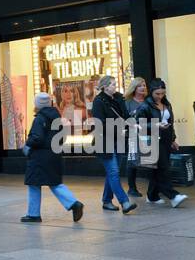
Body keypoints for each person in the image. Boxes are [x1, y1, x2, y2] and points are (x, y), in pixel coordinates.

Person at [21, 92, 83, 223]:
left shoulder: (39, 118)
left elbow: (37, 138)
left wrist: (27, 144)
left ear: (37, 104)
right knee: (54, 182)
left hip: (39, 157)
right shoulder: (57, 117)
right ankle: (74, 203)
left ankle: (33, 214)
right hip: (54, 154)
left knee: (34, 184)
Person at [89, 75, 137, 214]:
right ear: (104, 87)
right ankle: (125, 202)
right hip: (104, 141)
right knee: (114, 172)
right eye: (113, 84)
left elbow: (126, 115)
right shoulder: (98, 102)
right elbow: (100, 124)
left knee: (112, 173)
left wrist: (133, 124)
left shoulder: (119, 98)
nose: (115, 87)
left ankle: (106, 201)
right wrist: (119, 127)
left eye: (115, 84)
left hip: (119, 140)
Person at [137, 78, 188, 208]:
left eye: (162, 93)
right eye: (157, 94)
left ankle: (152, 196)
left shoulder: (167, 104)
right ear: (151, 92)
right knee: (163, 168)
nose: (160, 96)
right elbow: (139, 125)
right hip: (152, 139)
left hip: (165, 138)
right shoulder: (145, 106)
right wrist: (156, 125)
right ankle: (173, 196)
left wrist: (173, 139)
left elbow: (171, 123)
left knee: (157, 170)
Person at [124, 78, 148, 197]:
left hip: (149, 134)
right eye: (140, 86)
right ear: (134, 88)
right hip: (133, 136)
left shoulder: (149, 101)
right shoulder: (128, 103)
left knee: (151, 161)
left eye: (144, 85)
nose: (143, 87)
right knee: (132, 162)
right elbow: (123, 119)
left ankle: (155, 188)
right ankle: (132, 188)